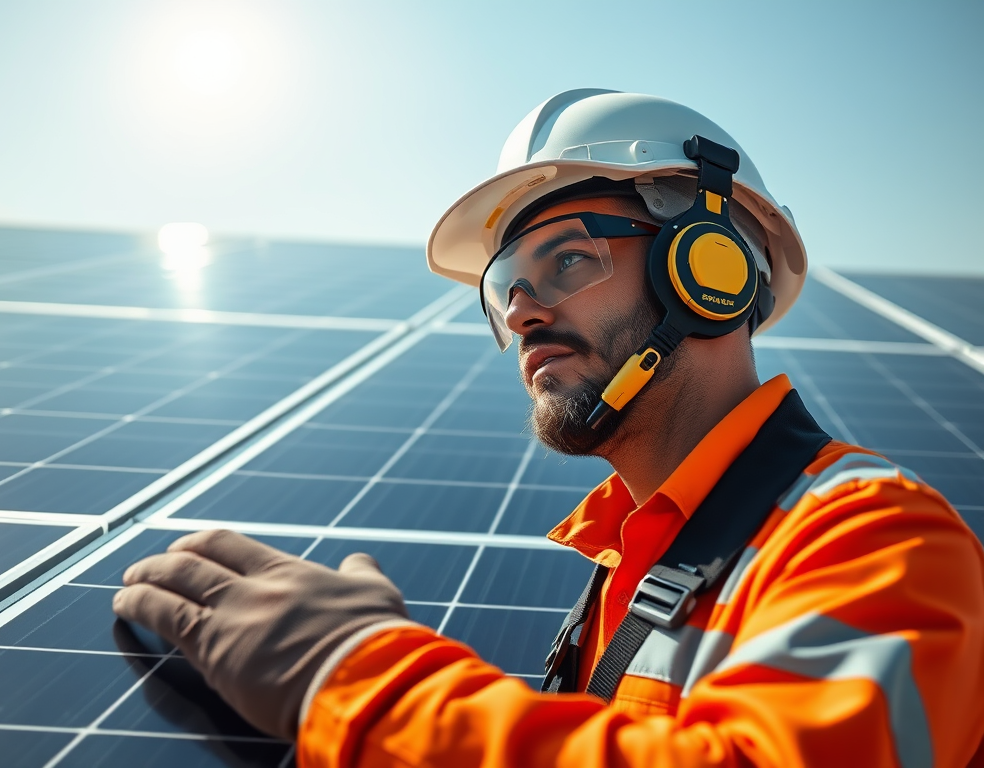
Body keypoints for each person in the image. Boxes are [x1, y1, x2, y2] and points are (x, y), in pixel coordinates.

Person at [113, 90, 984, 767]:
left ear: (710, 267)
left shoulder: (872, 536)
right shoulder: (629, 564)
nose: (522, 310)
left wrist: (360, 681)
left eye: (568, 258)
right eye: (505, 287)